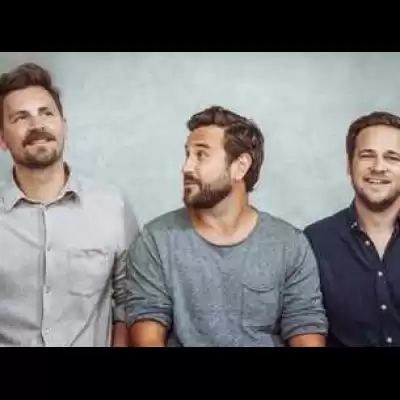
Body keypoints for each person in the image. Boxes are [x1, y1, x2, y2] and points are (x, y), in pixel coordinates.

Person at [125, 105, 327, 347]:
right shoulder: (156, 239)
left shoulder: (290, 244)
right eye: (187, 154)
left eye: (201, 155)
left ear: (240, 166)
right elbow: (147, 332)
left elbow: (305, 327)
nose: (186, 167)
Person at [0, 62, 139, 346]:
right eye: (21, 117)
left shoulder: (112, 206)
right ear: (2, 139)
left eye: (46, 113)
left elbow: (129, 300)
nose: (37, 125)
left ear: (64, 125)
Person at [304, 111, 400, 347]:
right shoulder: (314, 242)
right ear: (349, 165)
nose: (378, 167)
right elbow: (302, 325)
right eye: (367, 156)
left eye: (392, 158)